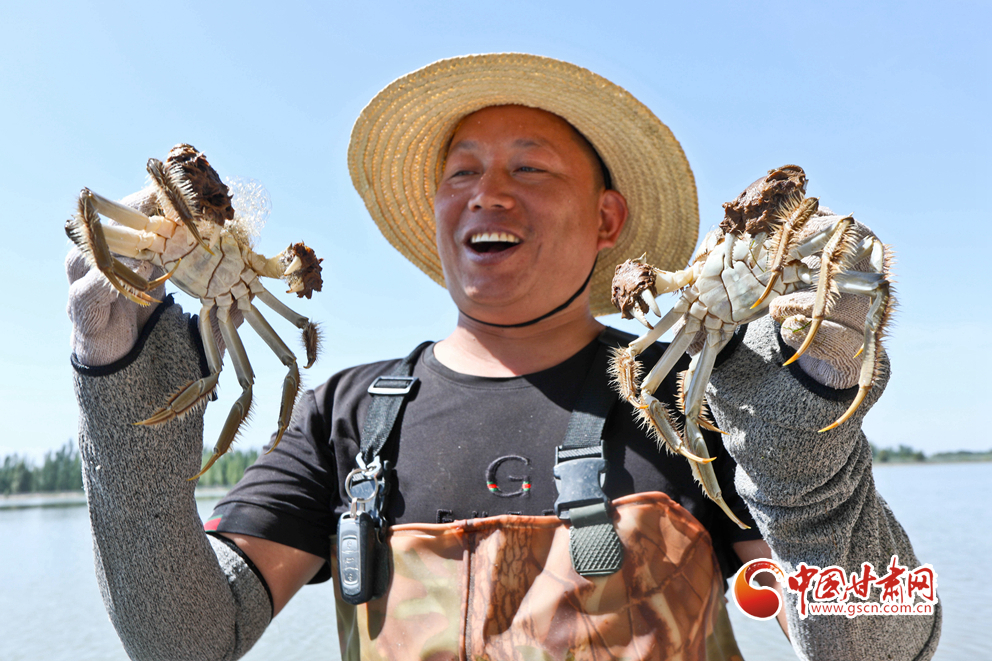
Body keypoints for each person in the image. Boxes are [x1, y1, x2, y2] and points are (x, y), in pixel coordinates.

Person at [67, 54, 940, 660]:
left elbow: (883, 642)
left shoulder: (696, 396)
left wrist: (807, 464)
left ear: (608, 221)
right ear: (440, 212)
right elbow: (184, 638)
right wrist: (112, 378)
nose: (489, 192)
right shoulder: (343, 414)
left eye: (531, 168)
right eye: (462, 172)